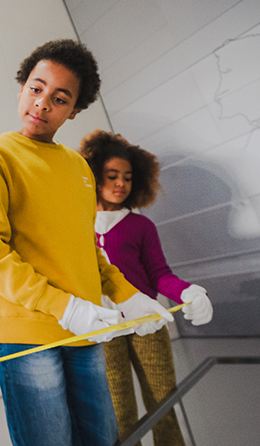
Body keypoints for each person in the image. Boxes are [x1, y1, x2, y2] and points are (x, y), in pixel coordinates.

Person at [0, 39, 175, 446]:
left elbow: (87, 248)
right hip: (26, 333)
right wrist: (65, 306)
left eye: (59, 98)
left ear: (73, 111)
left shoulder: (78, 167)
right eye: (36, 88)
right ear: (21, 88)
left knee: (102, 437)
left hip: (85, 329)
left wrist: (128, 295)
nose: (42, 103)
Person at [79, 130, 213, 446]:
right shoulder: (78, 225)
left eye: (127, 177)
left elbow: (159, 274)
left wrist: (185, 291)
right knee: (119, 411)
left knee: (163, 401)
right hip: (103, 328)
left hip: (146, 323)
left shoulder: (141, 226)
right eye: (112, 176)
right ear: (94, 177)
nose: (120, 184)